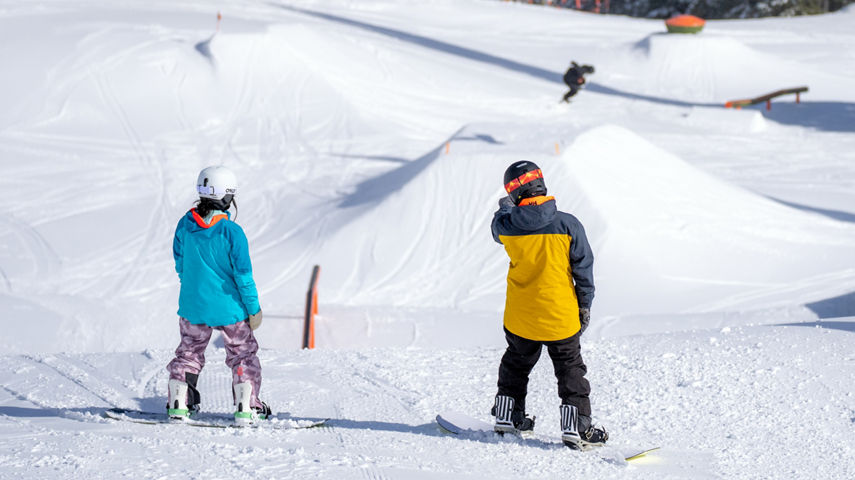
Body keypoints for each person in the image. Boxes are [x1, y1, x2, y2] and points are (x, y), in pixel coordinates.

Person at [490, 160, 607, 450]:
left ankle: (509, 416)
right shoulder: (568, 224)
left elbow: (496, 227)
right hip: (560, 314)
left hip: (521, 315)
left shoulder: (507, 225)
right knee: (570, 369)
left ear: (514, 192)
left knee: (516, 363)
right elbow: (584, 268)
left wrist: (506, 208)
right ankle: (577, 428)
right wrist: (584, 305)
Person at [166, 165, 270, 424]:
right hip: (230, 309)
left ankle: (180, 402)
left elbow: (180, 263)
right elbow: (243, 277)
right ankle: (247, 405)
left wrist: (193, 287)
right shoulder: (232, 232)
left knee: (189, 352)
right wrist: (253, 310)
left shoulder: (185, 224)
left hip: (193, 306)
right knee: (242, 354)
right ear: (227, 197)